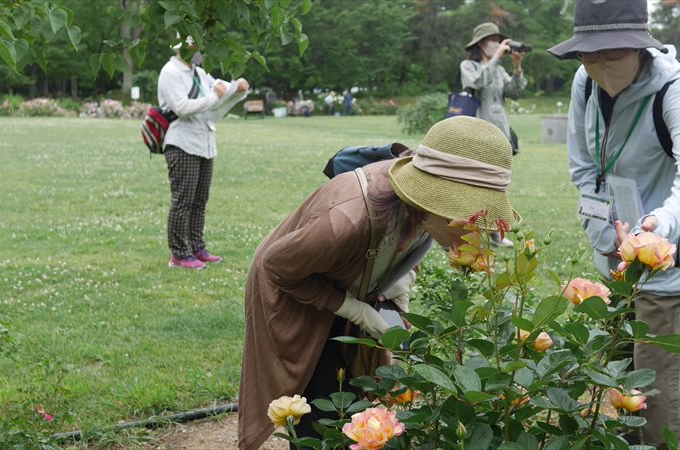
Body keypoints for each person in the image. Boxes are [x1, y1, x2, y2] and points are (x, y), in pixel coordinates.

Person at [237, 116, 520, 450]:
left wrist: (397, 305)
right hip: (296, 287)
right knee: (316, 399)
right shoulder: (346, 220)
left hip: (348, 280)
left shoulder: (422, 213)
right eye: (471, 220)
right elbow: (278, 268)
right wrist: (357, 312)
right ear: (438, 204)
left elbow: (400, 255)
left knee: (351, 393)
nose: (476, 235)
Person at [548, 1, 680, 448]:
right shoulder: (584, 82)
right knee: (620, 373)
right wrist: (605, 235)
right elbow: (583, 168)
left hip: (666, 255)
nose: (599, 65)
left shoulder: (673, 87)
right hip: (614, 249)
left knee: (655, 382)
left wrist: (657, 225)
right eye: (589, 53)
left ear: (639, 48)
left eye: (611, 53)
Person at [158, 36, 249, 269]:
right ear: (182, 49)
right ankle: (179, 253)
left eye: (198, 47)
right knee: (183, 201)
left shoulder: (199, 72)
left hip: (205, 142)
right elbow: (181, 107)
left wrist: (236, 90)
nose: (197, 51)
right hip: (182, 143)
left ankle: (196, 247)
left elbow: (217, 99)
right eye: (193, 47)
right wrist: (213, 96)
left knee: (199, 201)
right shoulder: (170, 72)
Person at [461, 22, 527, 247]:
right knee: (476, 184)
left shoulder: (499, 69)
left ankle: (496, 235)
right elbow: (479, 81)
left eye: (500, 41)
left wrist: (517, 68)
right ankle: (473, 232)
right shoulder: (468, 66)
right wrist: (498, 57)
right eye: (493, 40)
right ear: (481, 43)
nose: (498, 45)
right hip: (477, 135)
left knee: (499, 186)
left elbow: (515, 92)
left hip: (501, 134)